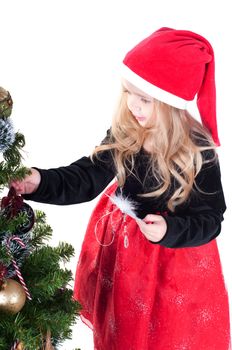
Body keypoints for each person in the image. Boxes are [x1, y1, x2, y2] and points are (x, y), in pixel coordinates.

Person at [11, 27, 231, 349]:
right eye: (128, 93)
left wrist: (170, 229)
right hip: (125, 260)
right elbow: (86, 177)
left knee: (167, 337)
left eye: (145, 99)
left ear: (171, 102)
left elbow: (210, 219)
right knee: (123, 332)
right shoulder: (127, 133)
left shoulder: (197, 152)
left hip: (174, 270)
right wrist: (40, 181)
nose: (133, 106)